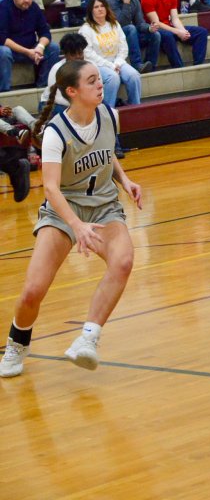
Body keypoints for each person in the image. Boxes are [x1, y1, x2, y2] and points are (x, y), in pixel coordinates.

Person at [0, 59, 142, 378]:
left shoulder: (108, 114)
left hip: (104, 206)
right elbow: (50, 187)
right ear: (72, 91)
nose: (100, 85)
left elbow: (107, 156)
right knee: (33, 290)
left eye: (99, 79)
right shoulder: (55, 133)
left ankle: (87, 339)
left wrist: (125, 180)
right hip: (64, 210)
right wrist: (75, 226)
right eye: (92, 81)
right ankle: (16, 345)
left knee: (123, 262)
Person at [140, 0, 208, 68]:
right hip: (155, 31)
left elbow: (175, 18)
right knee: (168, 36)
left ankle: (198, 66)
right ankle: (179, 67)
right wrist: (178, 32)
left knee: (201, 32)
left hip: (170, 27)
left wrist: (182, 31)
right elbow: (156, 23)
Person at [79, 0, 142, 107]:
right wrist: (110, 65)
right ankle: (107, 110)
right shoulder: (86, 29)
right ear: (91, 11)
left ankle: (135, 107)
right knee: (113, 78)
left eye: (102, 6)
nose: (100, 9)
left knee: (134, 75)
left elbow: (123, 47)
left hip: (117, 61)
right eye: (96, 7)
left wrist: (117, 63)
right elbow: (88, 54)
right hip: (98, 65)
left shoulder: (114, 24)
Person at [0, 0, 60, 92]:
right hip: (12, 50)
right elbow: (2, 38)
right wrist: (27, 52)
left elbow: (45, 32)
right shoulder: (3, 7)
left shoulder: (34, 7)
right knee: (3, 52)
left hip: (31, 49)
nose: (27, 0)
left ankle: (43, 88)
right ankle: (4, 91)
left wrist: (40, 47)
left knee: (53, 48)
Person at [107, 0, 159, 73]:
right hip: (114, 37)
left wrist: (149, 28)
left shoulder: (135, 1)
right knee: (131, 28)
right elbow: (120, 23)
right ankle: (137, 65)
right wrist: (126, 3)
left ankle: (150, 66)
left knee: (155, 34)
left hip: (130, 35)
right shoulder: (110, 1)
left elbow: (140, 23)